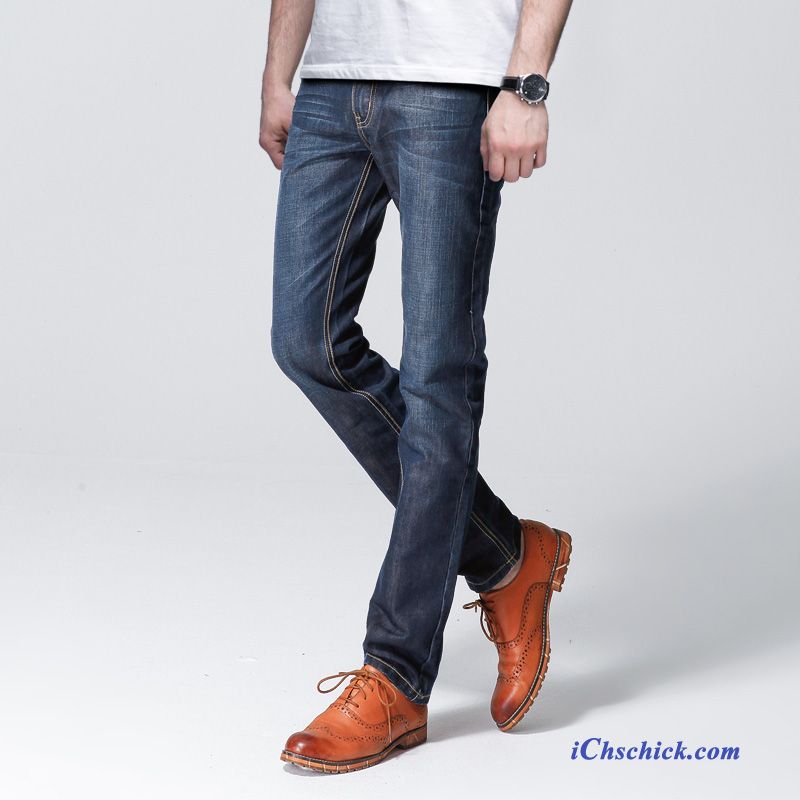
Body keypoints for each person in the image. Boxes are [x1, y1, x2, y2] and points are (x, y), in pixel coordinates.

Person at [260, 0, 574, 773]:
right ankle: (507, 553)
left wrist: (526, 86)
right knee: (307, 343)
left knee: (439, 376)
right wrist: (278, 74)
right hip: (333, 79)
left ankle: (398, 676)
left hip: (452, 82)